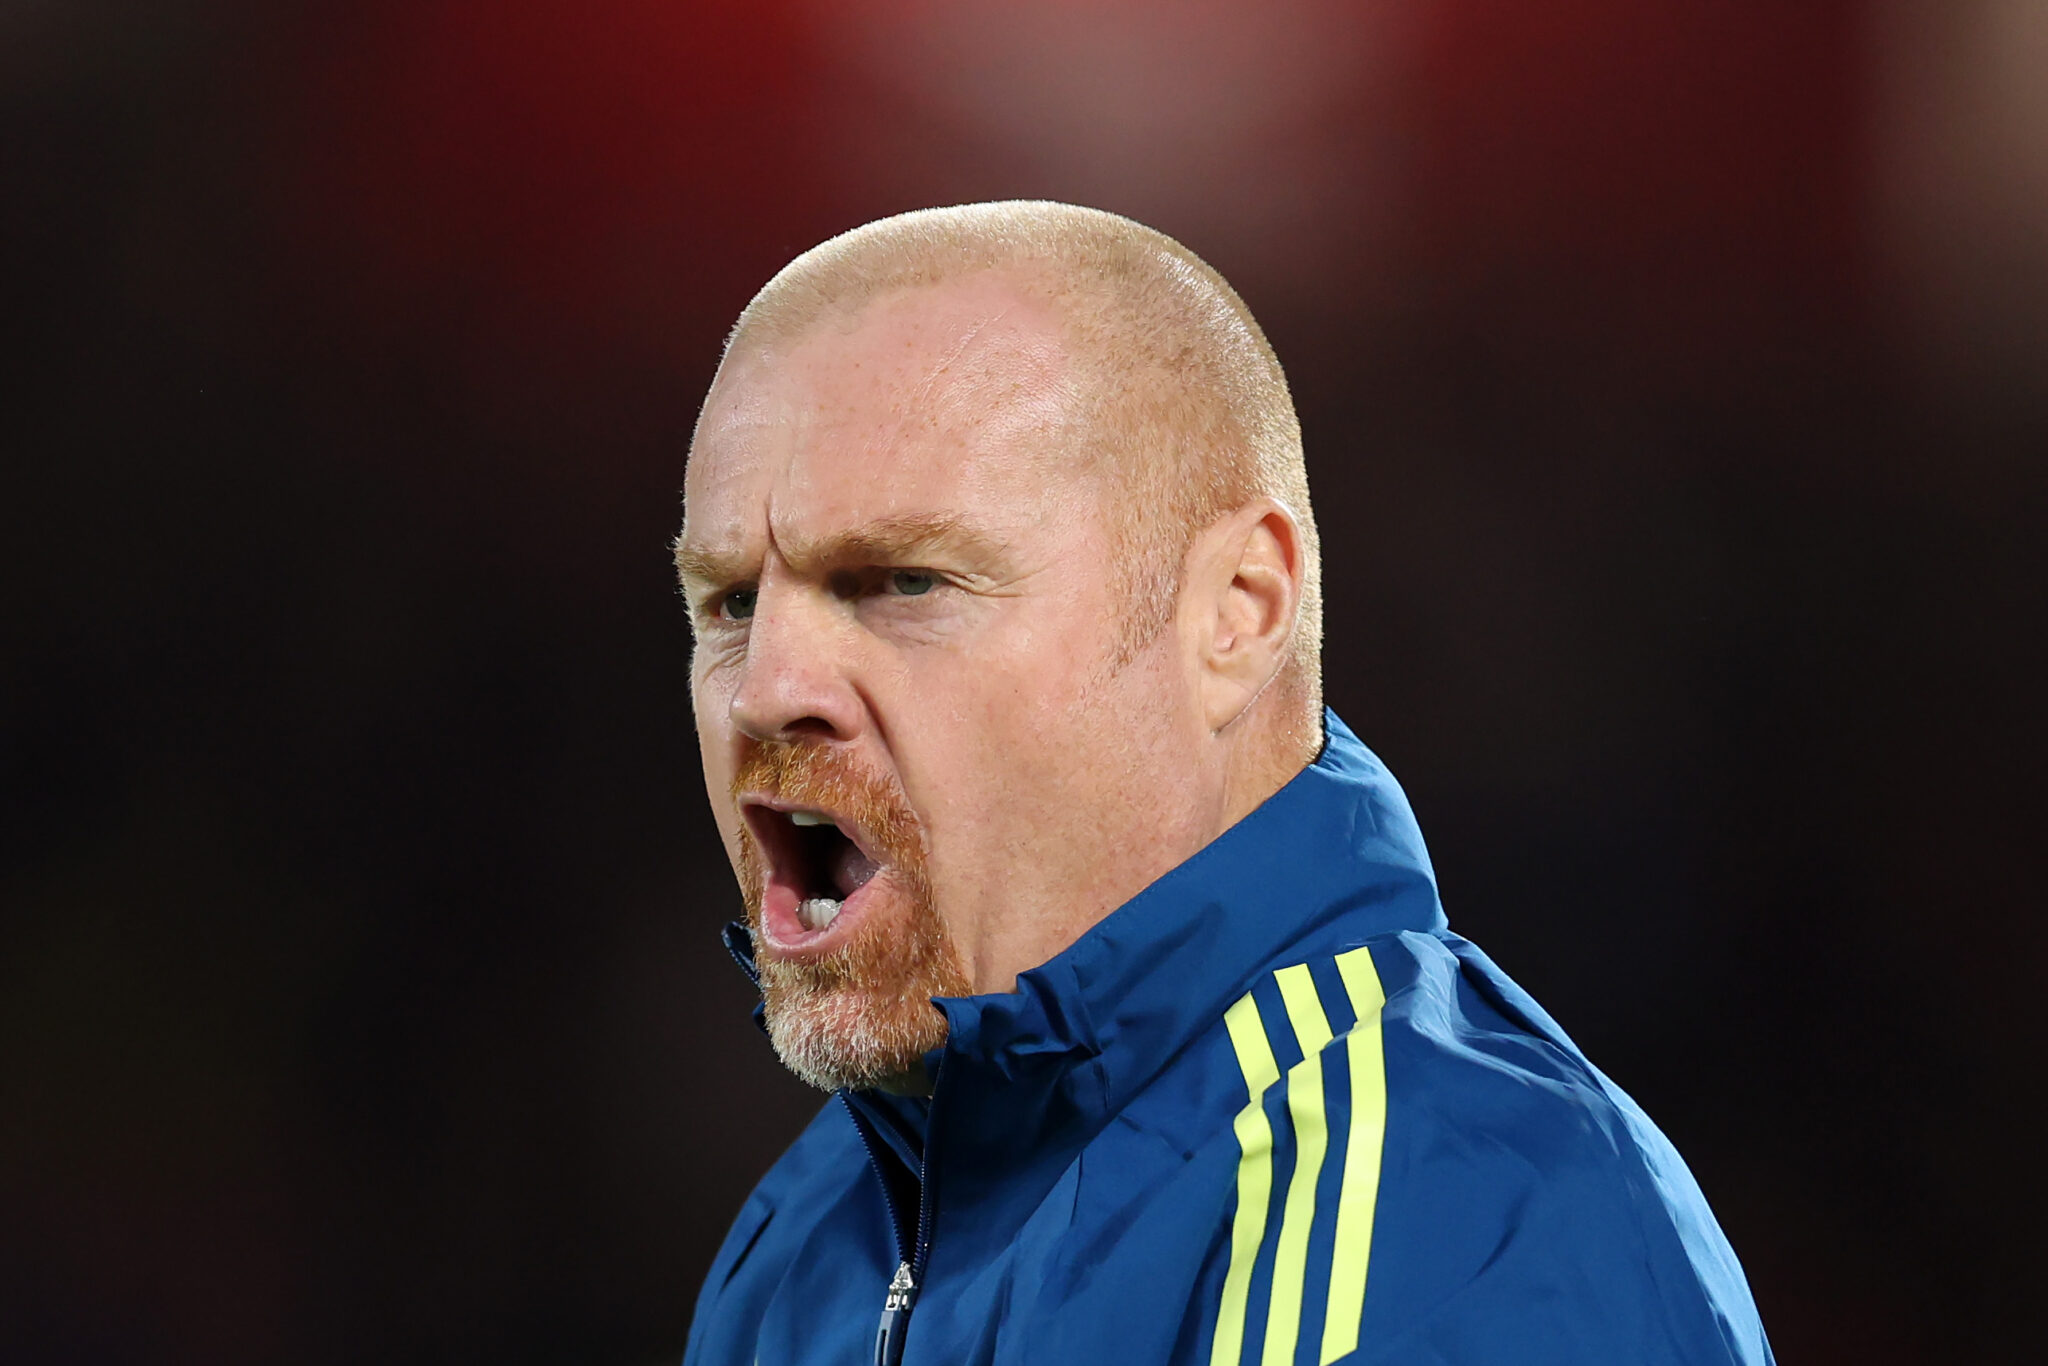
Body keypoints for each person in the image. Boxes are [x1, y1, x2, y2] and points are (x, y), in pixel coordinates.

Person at [674, 201, 1773, 1366]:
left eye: (901, 582)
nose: (767, 690)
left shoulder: (1465, 1244)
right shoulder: (805, 1245)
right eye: (732, 602)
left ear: (1235, 613)